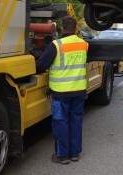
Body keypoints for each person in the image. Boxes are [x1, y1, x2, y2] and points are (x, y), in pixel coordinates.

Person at [35, 16, 89, 164]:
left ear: (62, 28)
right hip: (79, 91)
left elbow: (40, 65)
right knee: (76, 121)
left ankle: (62, 155)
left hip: (61, 93)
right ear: (77, 29)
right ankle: (75, 154)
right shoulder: (84, 44)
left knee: (61, 122)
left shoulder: (56, 45)